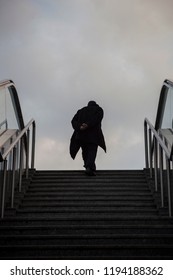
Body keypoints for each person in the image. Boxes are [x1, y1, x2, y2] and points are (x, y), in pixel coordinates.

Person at [70, 100, 106, 175]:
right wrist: (88, 125)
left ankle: (89, 167)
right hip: (93, 136)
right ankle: (89, 167)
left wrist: (80, 126)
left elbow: (73, 121)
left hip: (81, 136)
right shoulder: (99, 110)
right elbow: (96, 119)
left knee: (85, 151)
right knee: (92, 151)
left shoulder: (80, 111)